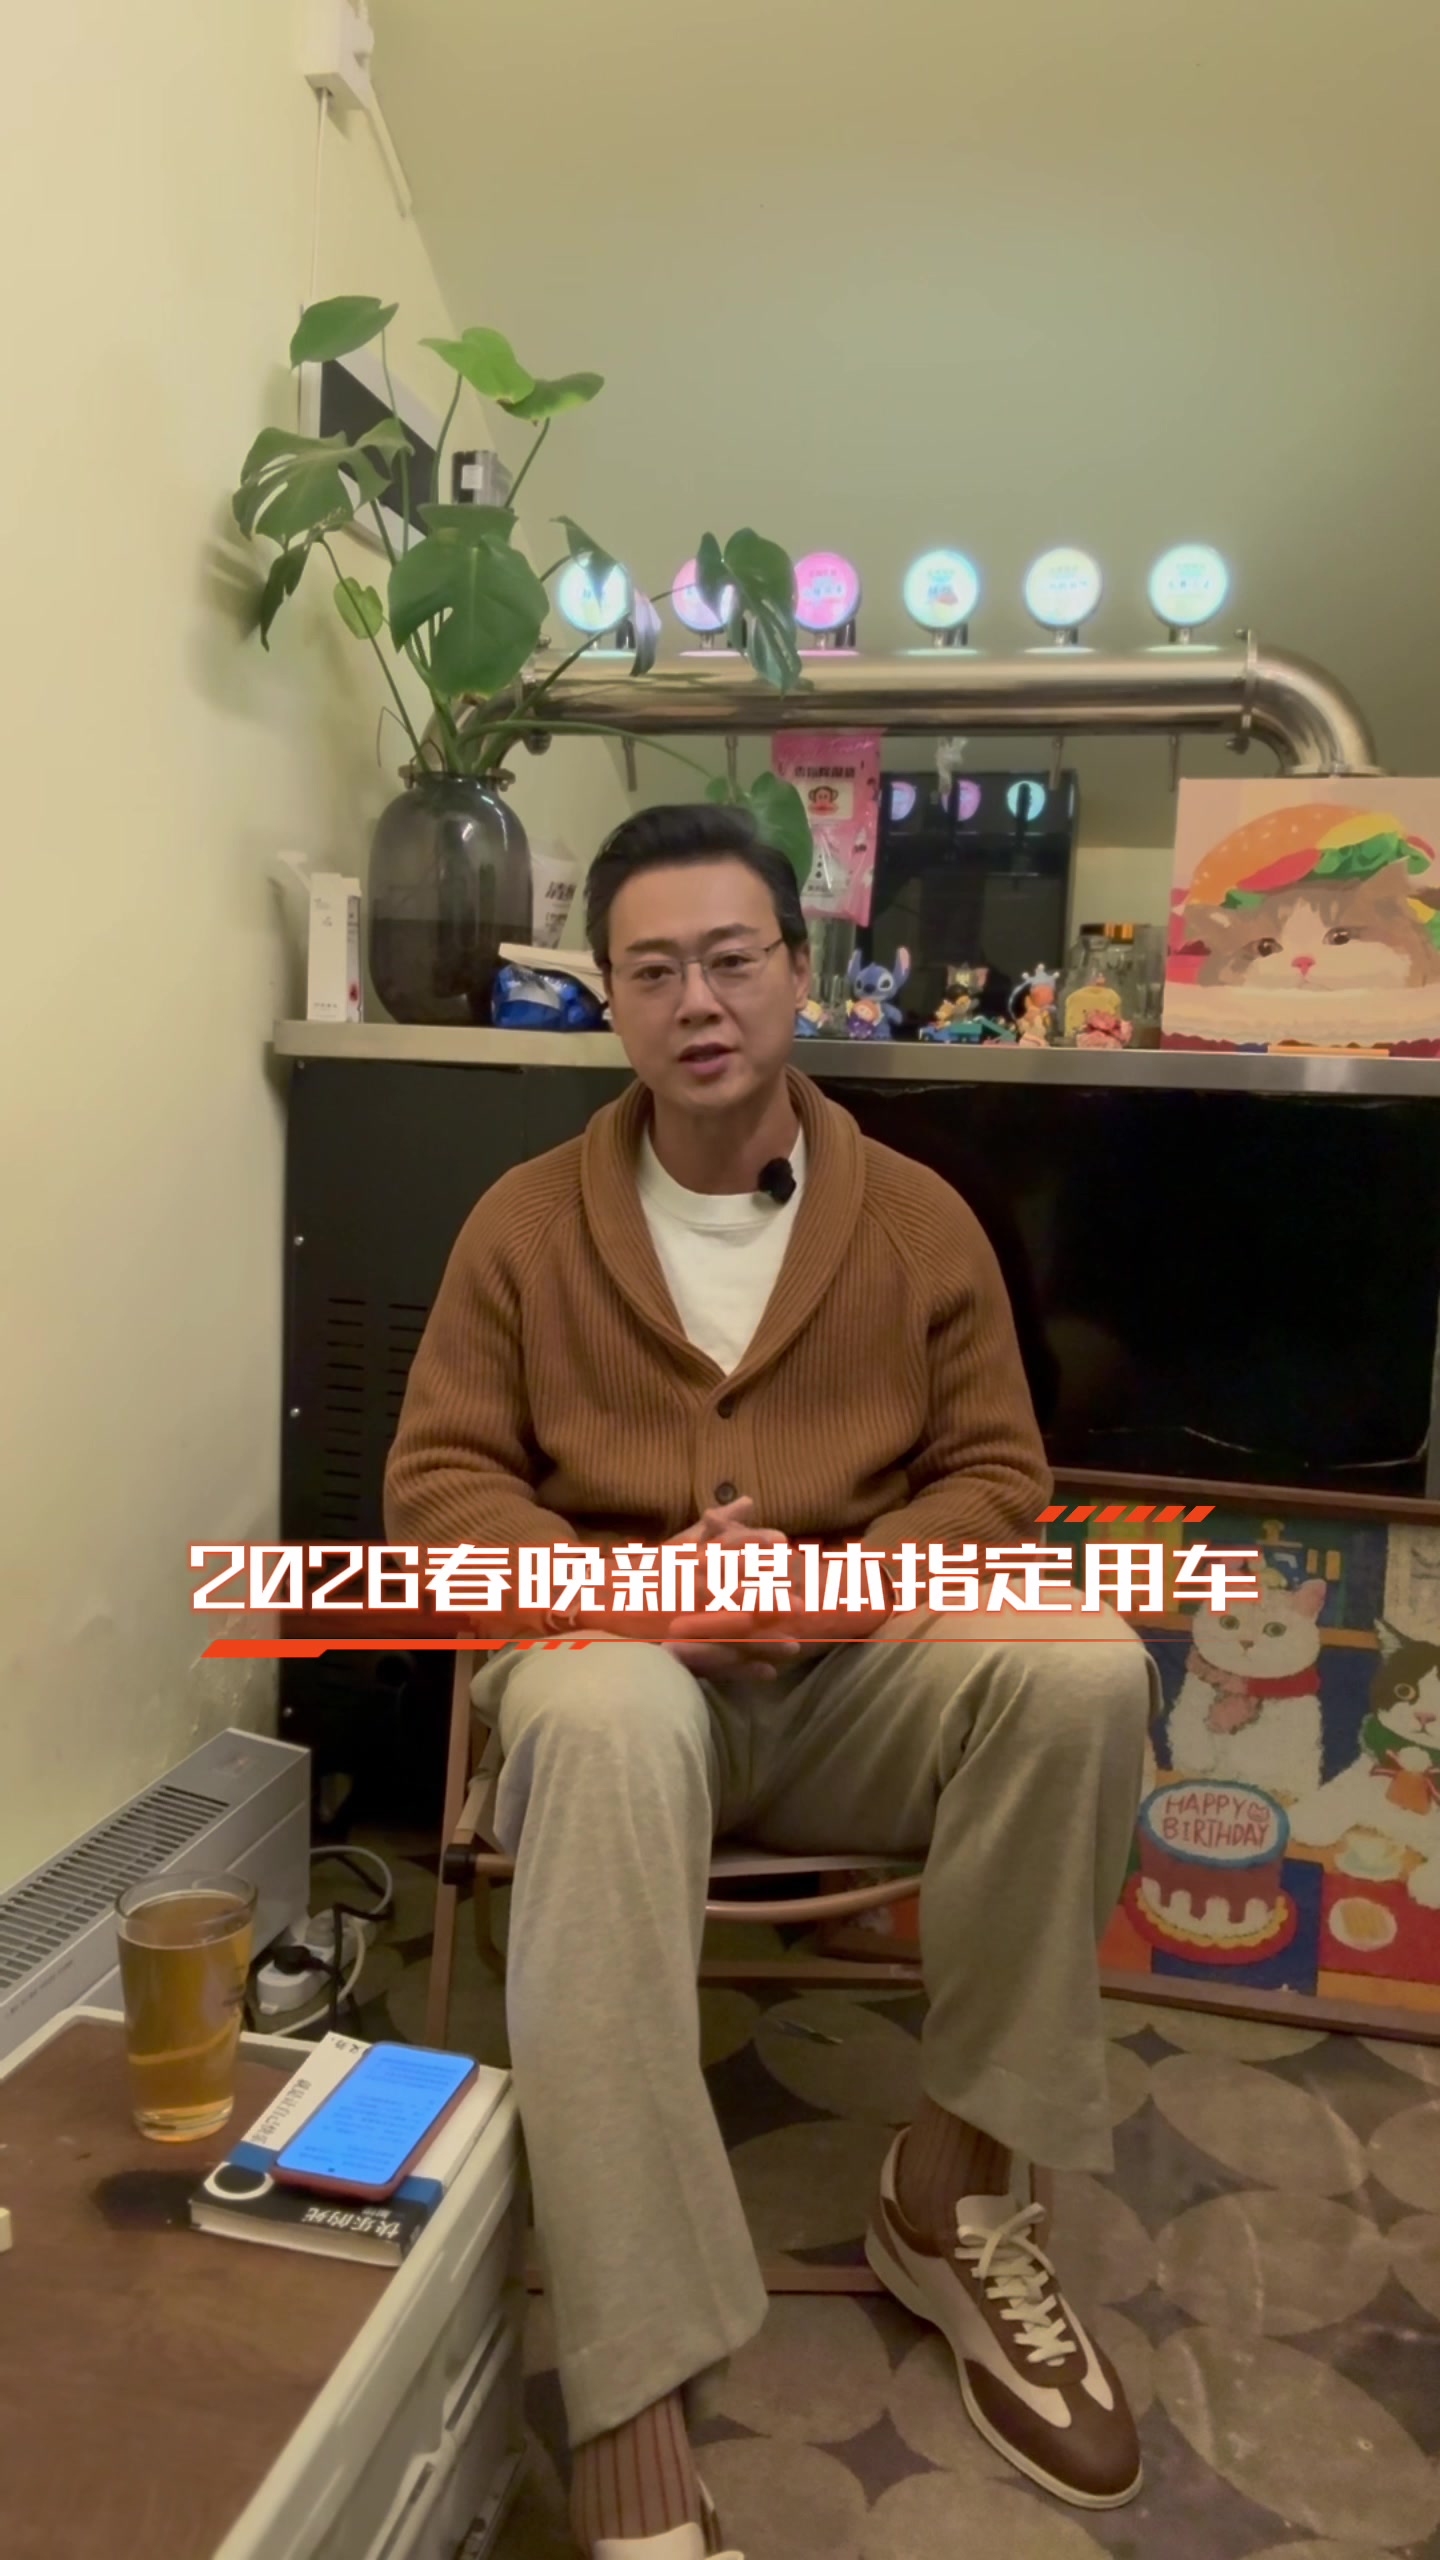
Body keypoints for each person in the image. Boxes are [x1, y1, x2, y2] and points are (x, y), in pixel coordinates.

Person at [385, 804, 1156, 2560]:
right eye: (653, 970)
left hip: (855, 1683)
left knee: (1082, 1669)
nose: (699, 1001)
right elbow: (437, 1493)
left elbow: (999, 1481)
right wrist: (637, 1594)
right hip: (623, 1685)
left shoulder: (921, 1220)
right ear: (609, 999)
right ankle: (631, 2403)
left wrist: (835, 1584)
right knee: (595, 1712)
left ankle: (952, 2194)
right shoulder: (521, 1226)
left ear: (798, 973)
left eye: (732, 959)